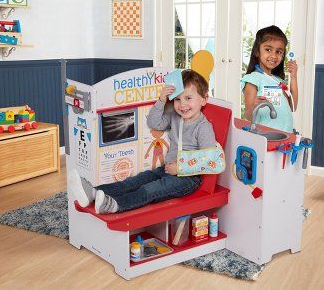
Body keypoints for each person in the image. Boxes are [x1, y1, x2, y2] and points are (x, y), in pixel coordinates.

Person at [69, 69, 217, 214]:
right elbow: (154, 123)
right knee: (132, 182)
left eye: (188, 98)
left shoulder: (203, 127)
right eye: (178, 99)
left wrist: (180, 168)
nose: (182, 104)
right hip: (166, 169)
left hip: (188, 179)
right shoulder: (176, 117)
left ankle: (116, 205)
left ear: (204, 99)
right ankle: (94, 193)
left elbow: (208, 161)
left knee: (150, 190)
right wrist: (161, 101)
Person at [241, 25, 298, 133]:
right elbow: (248, 116)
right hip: (265, 136)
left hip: (286, 135)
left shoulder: (280, 81)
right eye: (268, 49)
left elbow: (293, 106)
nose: (274, 56)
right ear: (257, 52)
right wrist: (254, 105)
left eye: (279, 52)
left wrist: (294, 77)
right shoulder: (253, 79)